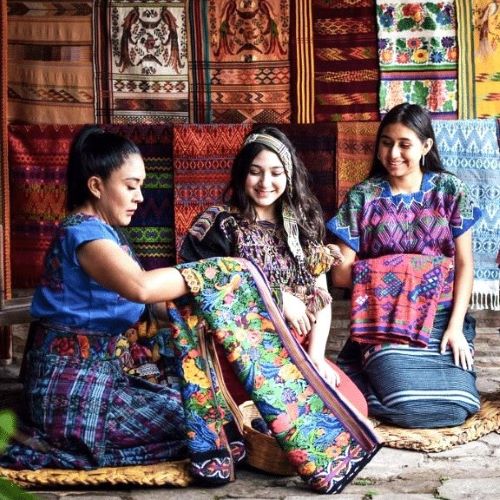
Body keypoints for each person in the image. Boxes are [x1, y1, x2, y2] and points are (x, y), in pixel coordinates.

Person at [1, 126, 380, 494]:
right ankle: (61, 437)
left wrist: (204, 302)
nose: (140, 197)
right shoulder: (85, 236)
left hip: (109, 371)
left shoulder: (107, 234)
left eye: (141, 186)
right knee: (210, 429)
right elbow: (142, 287)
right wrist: (225, 276)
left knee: (213, 421)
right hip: (76, 384)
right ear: (96, 185)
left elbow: (157, 306)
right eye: (131, 186)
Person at [180, 125, 368, 415]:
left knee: (355, 409)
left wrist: (317, 358)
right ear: (242, 172)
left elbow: (321, 296)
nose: (265, 182)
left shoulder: (304, 225)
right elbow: (202, 296)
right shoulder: (217, 224)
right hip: (241, 354)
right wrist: (277, 300)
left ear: (289, 175)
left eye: (276, 172)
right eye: (255, 171)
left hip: (299, 351)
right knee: (293, 419)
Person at [326, 103, 482, 428]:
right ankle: (361, 386)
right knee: (406, 404)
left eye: (404, 144)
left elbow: (465, 265)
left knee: (458, 405)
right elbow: (340, 275)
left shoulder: (450, 191)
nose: (393, 152)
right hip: (384, 318)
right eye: (386, 142)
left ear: (426, 146)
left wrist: (455, 328)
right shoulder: (363, 197)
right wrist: (404, 273)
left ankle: (355, 390)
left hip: (441, 317)